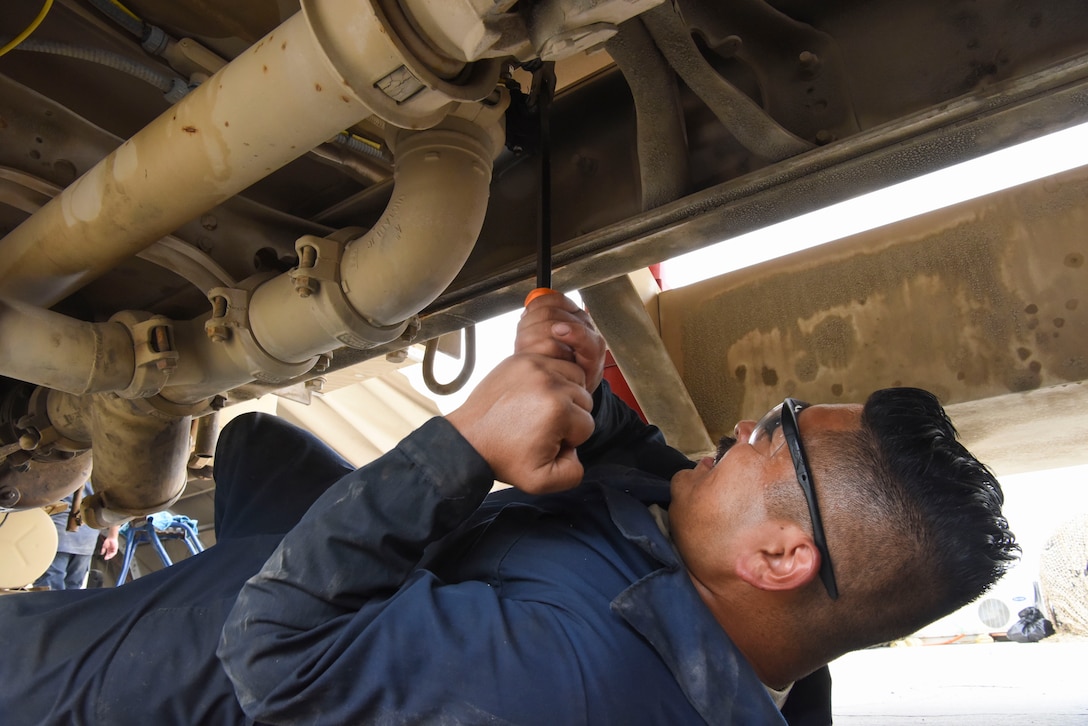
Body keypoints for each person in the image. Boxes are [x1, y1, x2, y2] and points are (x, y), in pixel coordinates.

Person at [0, 294, 1018, 725]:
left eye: (779, 432)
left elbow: (273, 646)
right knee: (262, 442)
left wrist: (465, 444)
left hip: (216, 672)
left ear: (782, 556)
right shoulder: (749, 609)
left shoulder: (558, 691)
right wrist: (572, 357)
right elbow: (633, 458)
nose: (749, 421)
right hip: (396, 598)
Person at [34, 482, 121, 590]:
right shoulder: (105, 471)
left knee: (49, 589)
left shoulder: (59, 466)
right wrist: (113, 536)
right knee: (73, 590)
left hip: (57, 534)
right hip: (86, 538)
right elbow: (117, 505)